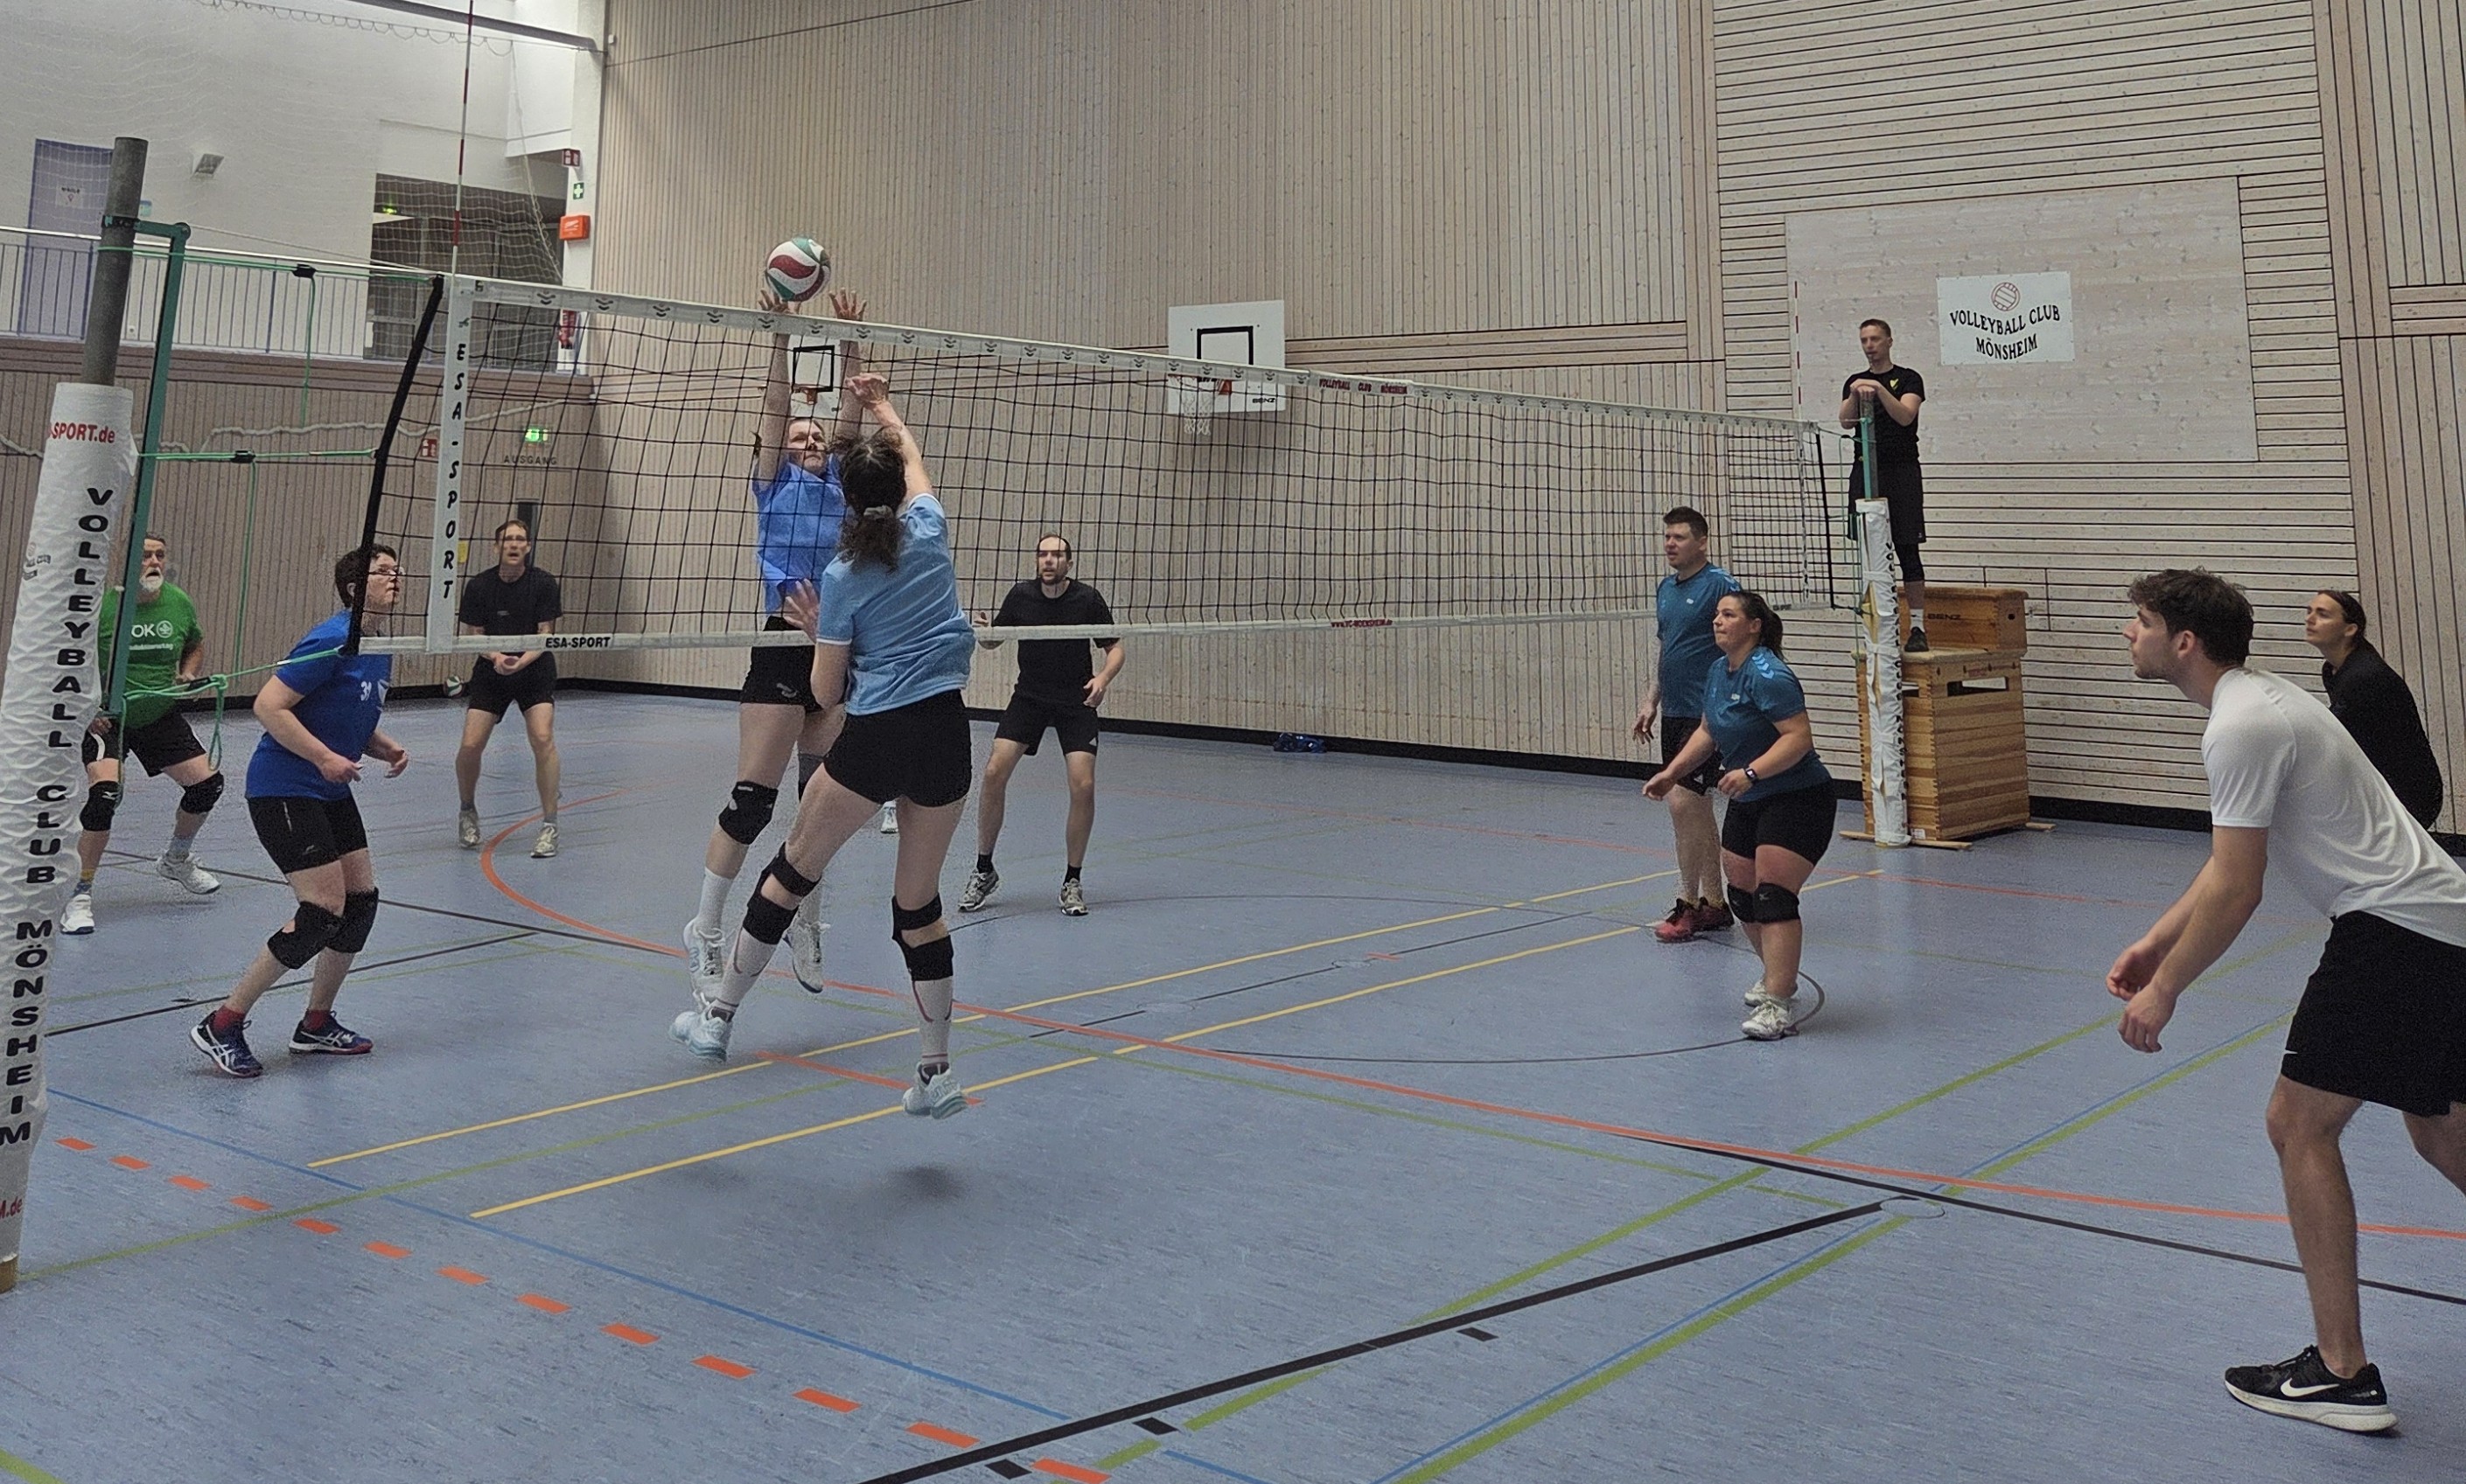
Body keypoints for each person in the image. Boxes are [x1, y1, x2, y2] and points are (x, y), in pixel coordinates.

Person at [2107, 568, 2466, 1434]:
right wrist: (2157, 938)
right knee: (2439, 1128)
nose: (2127, 634)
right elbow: (2227, 861)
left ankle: (2341, 1372)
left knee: (2296, 1122)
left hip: (2393, 927)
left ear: (2182, 641)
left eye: (2139, 621)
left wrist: (2164, 989)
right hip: (2438, 921)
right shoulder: (2258, 698)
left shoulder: (2240, 723)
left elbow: (2240, 888)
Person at [672, 373, 980, 1122]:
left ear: (845, 496)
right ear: (900, 493)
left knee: (791, 871)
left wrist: (818, 633)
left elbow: (828, 690)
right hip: (946, 733)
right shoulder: (932, 530)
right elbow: (911, 456)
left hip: (878, 734)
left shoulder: (839, 578)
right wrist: (879, 405)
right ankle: (934, 1071)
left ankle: (718, 1015)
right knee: (918, 905)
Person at [682, 285, 867, 996]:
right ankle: (705, 927)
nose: (810, 441)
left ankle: (804, 922)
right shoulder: (773, 482)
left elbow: (848, 417)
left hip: (835, 647)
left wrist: (851, 343)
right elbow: (774, 406)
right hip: (784, 643)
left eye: (815, 436)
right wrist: (780, 334)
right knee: (752, 802)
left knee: (821, 803)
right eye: (799, 437)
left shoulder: (842, 481)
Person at [188, 546, 410, 1078]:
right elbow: (268, 705)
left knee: (361, 902)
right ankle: (222, 1023)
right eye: (383, 572)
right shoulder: (332, 638)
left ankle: (316, 1024)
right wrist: (324, 758)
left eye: (396, 570)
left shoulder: (379, 645)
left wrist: (383, 746)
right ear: (355, 588)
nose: (395, 578)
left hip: (328, 789)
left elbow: (344, 714)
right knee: (321, 911)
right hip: (284, 788)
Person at [1644, 591, 1835, 1041]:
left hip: (1797, 796)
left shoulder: (1769, 674)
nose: (1717, 621)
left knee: (1774, 895)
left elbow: (1798, 738)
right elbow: (1708, 731)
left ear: (1754, 625)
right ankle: (1776, 977)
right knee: (1743, 896)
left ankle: (1778, 1004)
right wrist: (1671, 773)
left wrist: (1752, 772)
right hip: (1749, 799)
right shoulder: (1718, 670)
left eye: (1728, 614)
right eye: (1716, 615)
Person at [64, 533, 224, 934]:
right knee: (104, 797)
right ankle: (79, 894)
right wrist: (87, 708)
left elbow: (195, 644)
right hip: (109, 719)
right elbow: (70, 662)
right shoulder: (101, 607)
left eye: (160, 555)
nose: (154, 562)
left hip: (158, 714)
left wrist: (188, 672)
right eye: (145, 555)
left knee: (207, 786)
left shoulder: (178, 602)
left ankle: (176, 860)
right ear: (126, 560)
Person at [961, 533, 1124, 916]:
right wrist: (986, 634)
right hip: (1030, 697)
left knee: (1083, 785)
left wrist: (1102, 679)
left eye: (1057, 555)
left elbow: (1115, 648)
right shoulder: (1021, 596)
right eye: (1043, 555)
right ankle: (984, 868)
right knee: (993, 772)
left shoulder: (1088, 599)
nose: (1049, 560)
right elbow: (996, 641)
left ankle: (1072, 880)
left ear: (1069, 563)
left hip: (1076, 700)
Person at [1631, 505, 1741, 944]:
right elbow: (1669, 650)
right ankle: (1715, 903)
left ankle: (1688, 903)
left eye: (1679, 537)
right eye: (1667, 537)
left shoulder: (1720, 586)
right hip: (1675, 711)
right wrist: (1651, 700)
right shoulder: (1666, 588)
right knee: (1695, 809)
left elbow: (1742, 643)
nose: (1670, 544)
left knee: (1681, 804)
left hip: (1705, 716)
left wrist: (1730, 702)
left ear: (1702, 542)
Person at [454, 517, 564, 858]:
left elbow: (545, 633)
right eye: (508, 539)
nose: (514, 544)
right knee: (470, 745)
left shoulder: (543, 583)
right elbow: (474, 636)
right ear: (496, 546)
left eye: (520, 539)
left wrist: (520, 660)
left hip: (534, 669)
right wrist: (498, 657)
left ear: (528, 547)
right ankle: (467, 810)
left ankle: (550, 824)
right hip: (491, 670)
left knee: (543, 739)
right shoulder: (479, 586)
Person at [2303, 589, 2443, 827]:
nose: (2310, 619)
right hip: (2377, 785)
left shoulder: (2364, 676)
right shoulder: (2333, 670)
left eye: (2322, 614)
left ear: (2350, 629)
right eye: (2309, 611)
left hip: (2407, 794)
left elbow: (2330, 732)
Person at [1837, 317, 1929, 651]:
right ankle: (1877, 619)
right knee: (1869, 551)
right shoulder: (1855, 381)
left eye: (1875, 339)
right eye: (1864, 340)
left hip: (1901, 472)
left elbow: (1905, 416)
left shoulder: (1908, 378)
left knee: (1907, 548)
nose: (1869, 345)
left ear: (1889, 341)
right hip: (1865, 472)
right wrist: (1854, 393)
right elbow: (1845, 421)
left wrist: (1878, 390)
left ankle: (1917, 627)